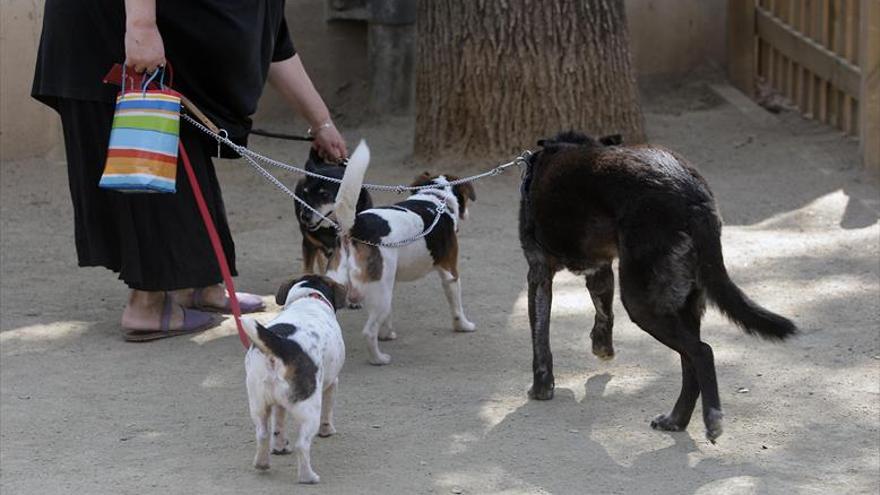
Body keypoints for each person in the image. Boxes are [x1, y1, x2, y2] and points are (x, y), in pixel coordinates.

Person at [31, 0, 347, 341]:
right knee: (150, 169)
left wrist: (321, 122)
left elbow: (275, 44)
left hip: (168, 46)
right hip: (110, 31)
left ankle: (197, 287)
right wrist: (142, 27)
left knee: (188, 163)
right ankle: (148, 305)